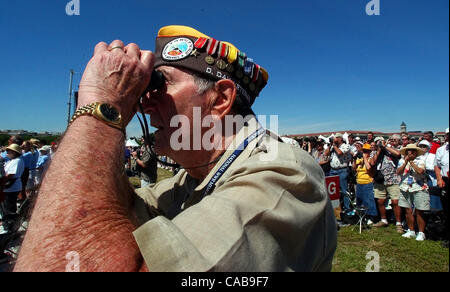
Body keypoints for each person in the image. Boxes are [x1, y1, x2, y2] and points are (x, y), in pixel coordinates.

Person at [15, 25, 337, 272]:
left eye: (159, 84)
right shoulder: (191, 180)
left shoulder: (283, 175)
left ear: (220, 99)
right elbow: (106, 215)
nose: (144, 102)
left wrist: (102, 108)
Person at [397, 144, 429, 241]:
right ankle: (411, 230)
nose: (409, 152)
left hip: (418, 187)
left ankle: (421, 232)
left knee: (420, 211)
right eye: (408, 151)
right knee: (407, 210)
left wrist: (411, 162)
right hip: (405, 187)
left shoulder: (421, 161)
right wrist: (405, 162)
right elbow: (398, 172)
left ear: (415, 152)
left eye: (411, 151)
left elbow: (420, 171)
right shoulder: (402, 161)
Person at [371, 135, 403, 231]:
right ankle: (384, 220)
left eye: (381, 141)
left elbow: (398, 154)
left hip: (393, 178)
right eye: (378, 142)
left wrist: (386, 147)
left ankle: (398, 223)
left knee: (395, 201)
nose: (379, 143)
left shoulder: (393, 149)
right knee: (380, 201)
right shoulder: (375, 152)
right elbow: (372, 163)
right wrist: (379, 151)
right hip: (380, 180)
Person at [0, 144, 24, 233]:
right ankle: (8, 225)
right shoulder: (13, 160)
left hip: (12, 187)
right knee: (6, 207)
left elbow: (11, 174)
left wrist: (2, 180)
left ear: (14, 152)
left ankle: (10, 228)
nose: (7, 153)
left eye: (9, 151)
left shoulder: (17, 161)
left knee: (8, 208)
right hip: (10, 187)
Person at [325, 133, 352, 213]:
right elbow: (326, 154)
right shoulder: (333, 147)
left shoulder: (346, 146)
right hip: (333, 170)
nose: (334, 139)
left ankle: (347, 208)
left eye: (336, 138)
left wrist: (335, 146)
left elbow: (340, 153)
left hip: (342, 170)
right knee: (333, 191)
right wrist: (330, 146)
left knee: (344, 190)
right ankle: (335, 209)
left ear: (340, 138)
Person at [352, 143, 378, 224]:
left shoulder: (371, 159)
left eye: (366, 151)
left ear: (369, 152)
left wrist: (365, 158)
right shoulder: (360, 160)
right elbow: (353, 168)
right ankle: (363, 216)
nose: (365, 153)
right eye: (364, 151)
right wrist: (354, 159)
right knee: (360, 200)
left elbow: (369, 167)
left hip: (367, 183)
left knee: (369, 201)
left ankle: (371, 217)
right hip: (359, 182)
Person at [434, 128, 449, 247]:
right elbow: (437, 166)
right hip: (446, 180)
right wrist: (439, 178)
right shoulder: (441, 150)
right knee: (447, 209)